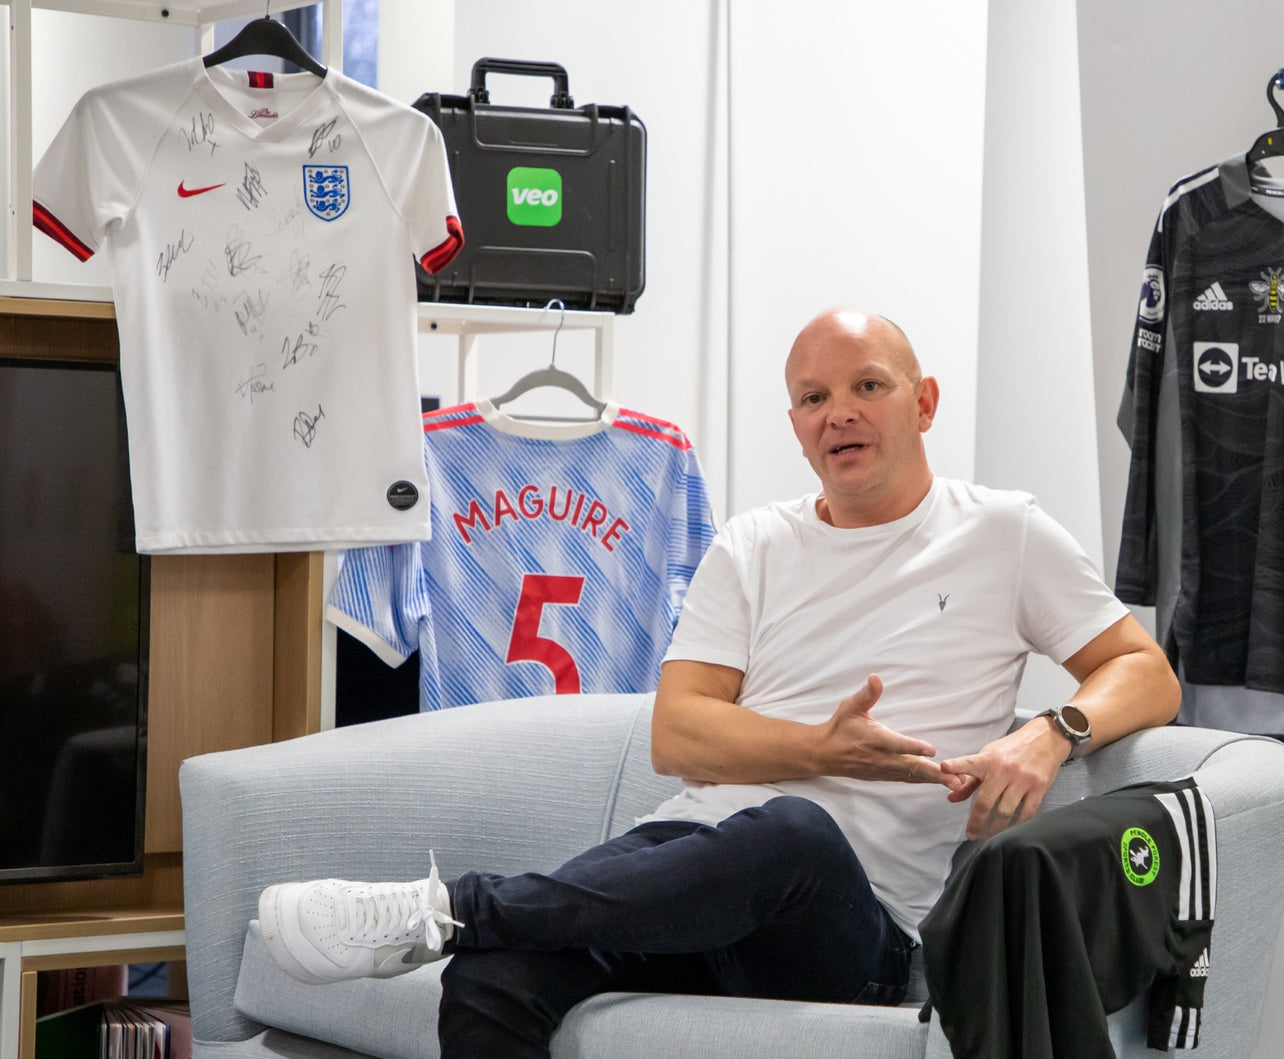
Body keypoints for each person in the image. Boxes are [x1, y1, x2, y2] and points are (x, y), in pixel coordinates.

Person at [256, 307, 1180, 1058]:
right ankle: (467, 926)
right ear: (797, 427)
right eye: (814, 397)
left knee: (791, 830)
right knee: (492, 976)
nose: (839, 413)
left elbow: (1145, 671)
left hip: (850, 922)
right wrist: (820, 747)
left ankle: (453, 907)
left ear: (925, 401)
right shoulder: (754, 542)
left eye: (868, 386)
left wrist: (1051, 731)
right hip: (690, 872)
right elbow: (679, 735)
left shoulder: (1002, 533)